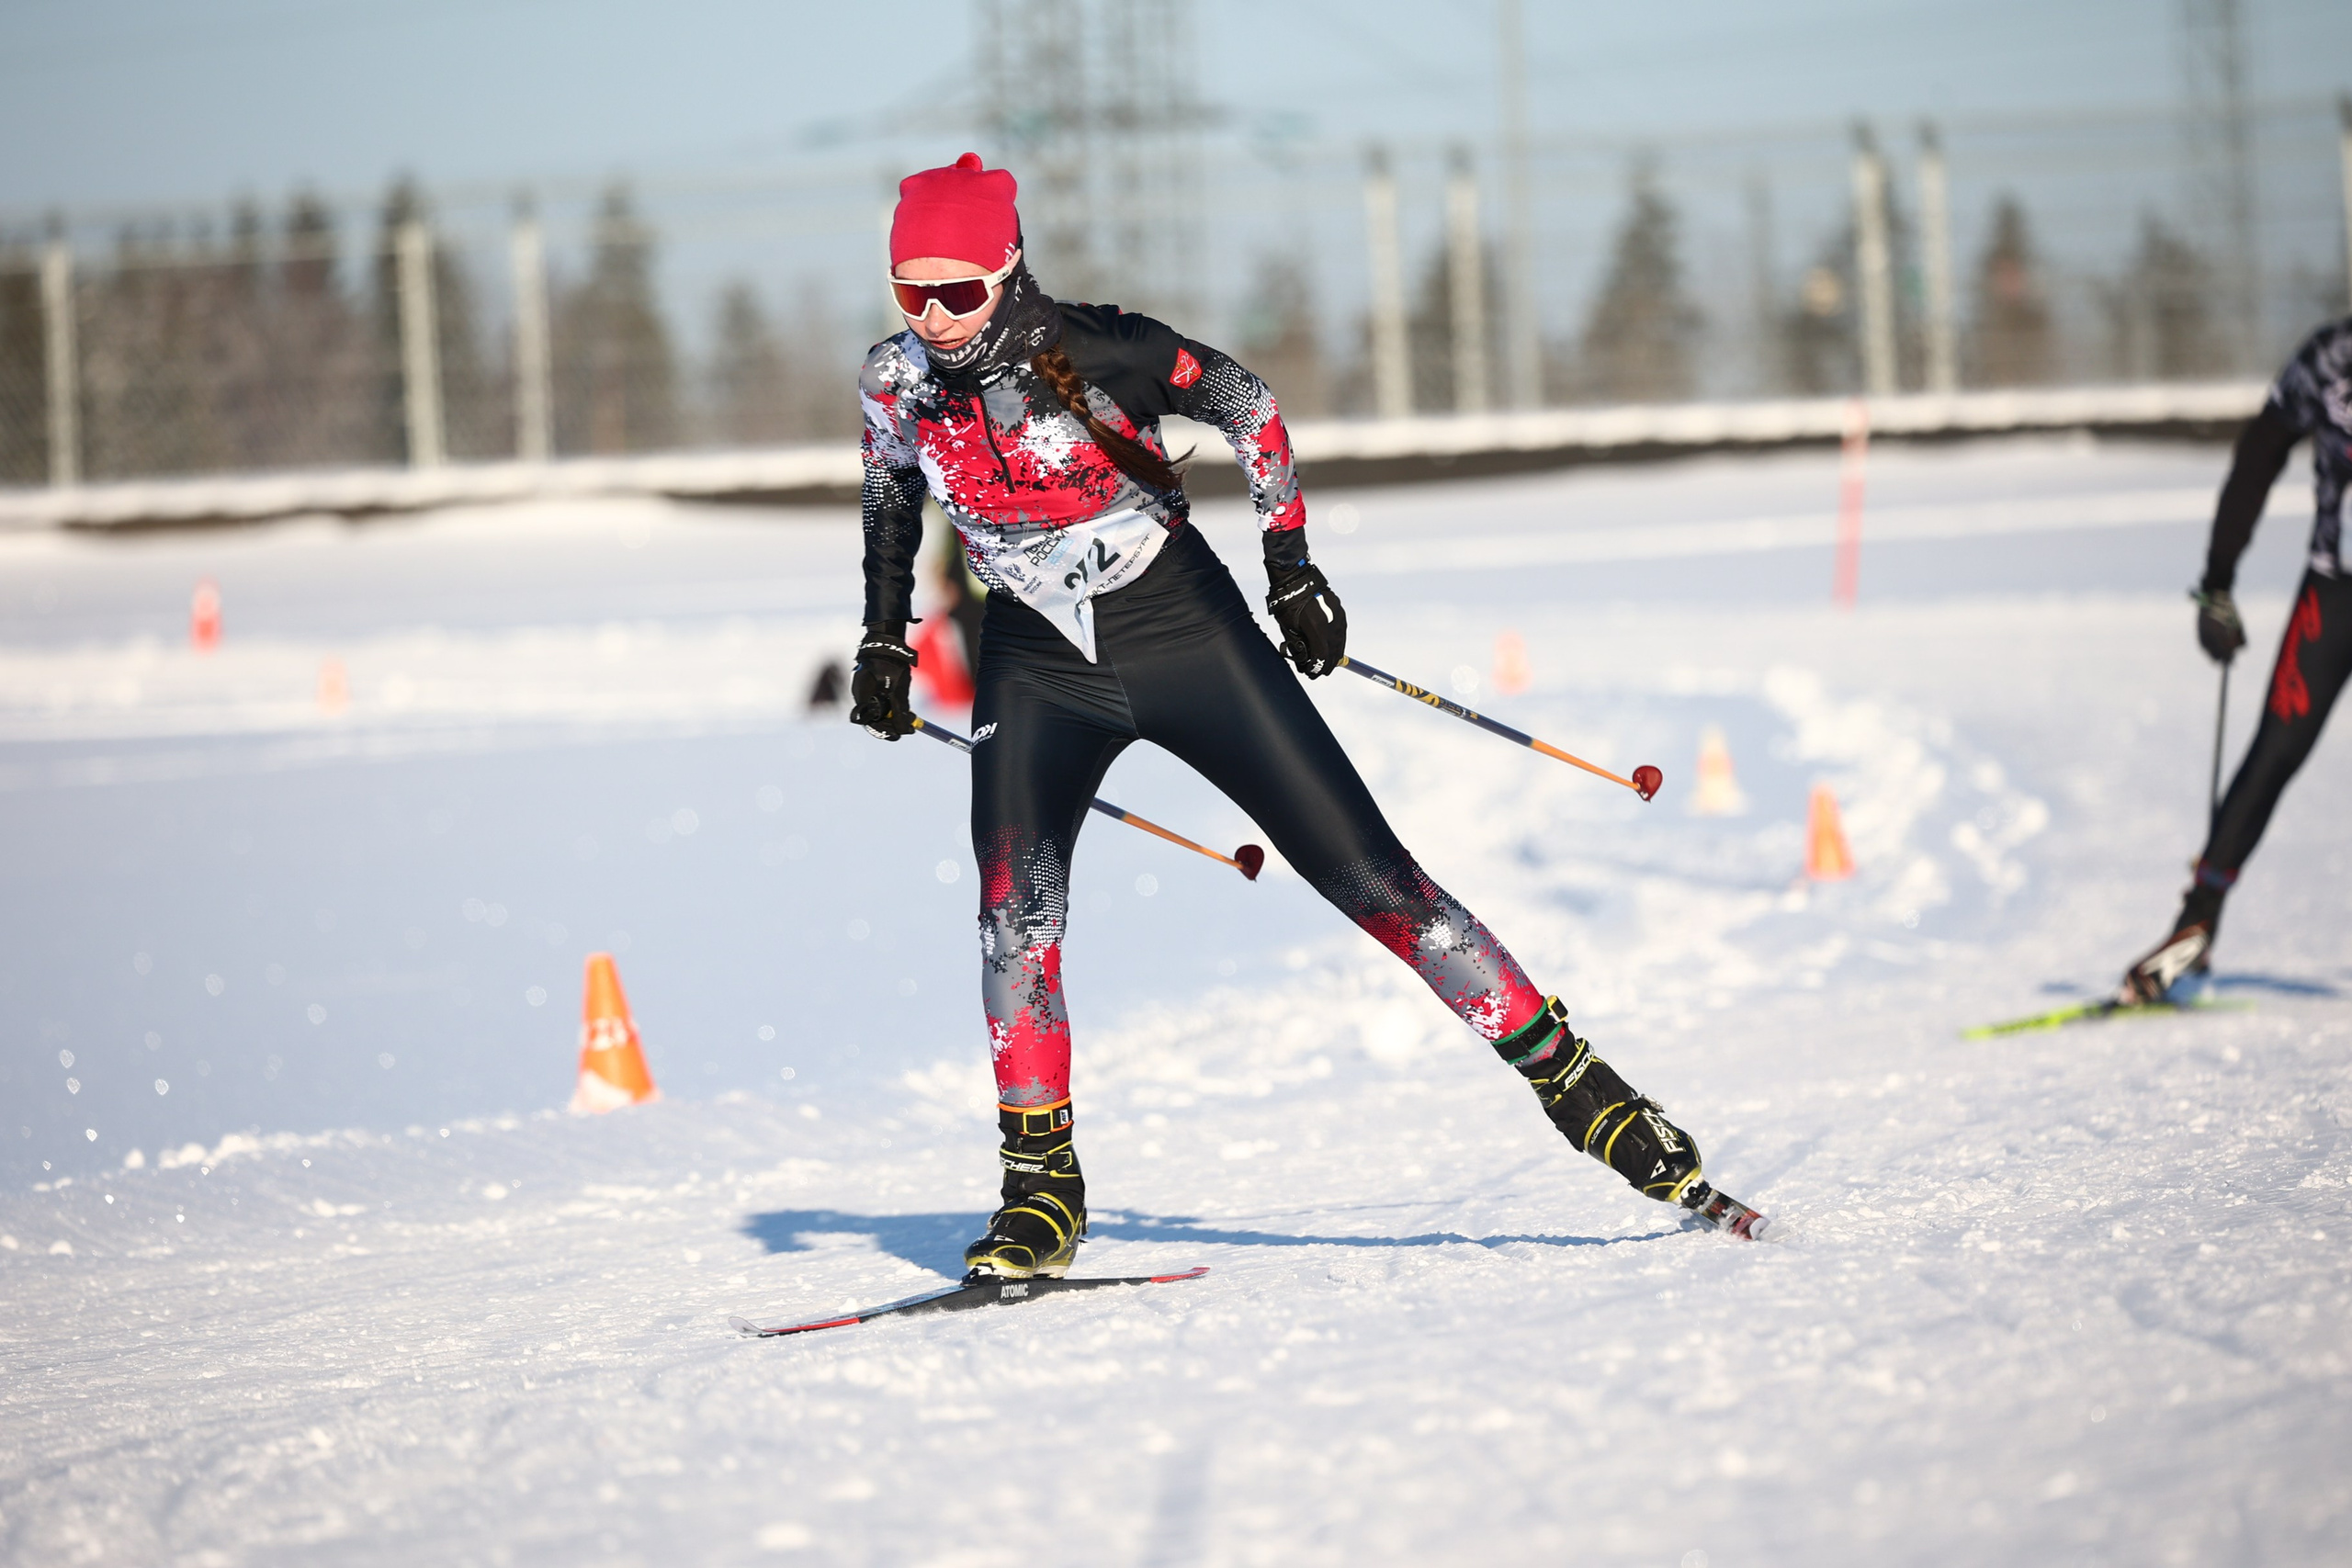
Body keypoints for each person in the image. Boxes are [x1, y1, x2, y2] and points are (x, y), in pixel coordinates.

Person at [849, 153, 1766, 1280]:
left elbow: (1248, 407)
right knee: (1012, 919)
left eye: (959, 291)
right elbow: (890, 494)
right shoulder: (894, 381)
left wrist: (1291, 571)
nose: (935, 319)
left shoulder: (1104, 348)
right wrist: (884, 639)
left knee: (1375, 883)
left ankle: (1586, 1093)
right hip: (1035, 663)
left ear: (1008, 265)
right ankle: (1041, 1190)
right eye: (911, 292)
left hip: (1185, 637)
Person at [2122, 316, 2352, 1002]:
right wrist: (2218, 581)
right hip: (2335, 589)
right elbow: (2259, 456)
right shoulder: (2331, 357)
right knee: (2275, 749)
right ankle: (2193, 930)